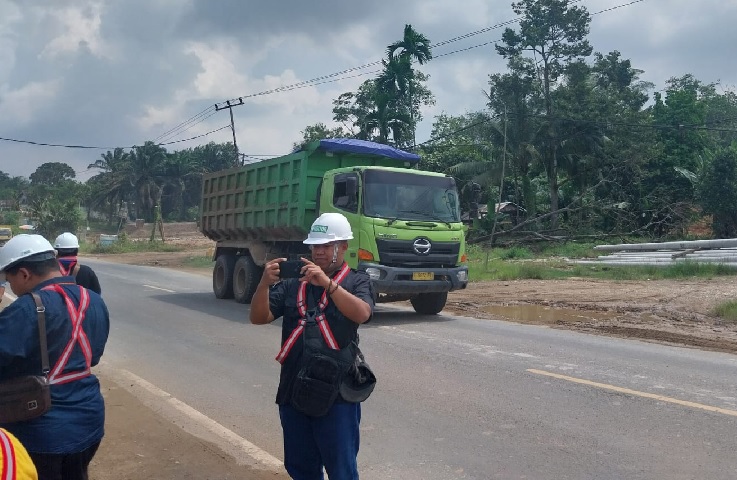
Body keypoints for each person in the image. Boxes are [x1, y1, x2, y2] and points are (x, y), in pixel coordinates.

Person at [250, 212, 374, 480]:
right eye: (315, 246)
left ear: (342, 247)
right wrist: (263, 284)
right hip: (294, 388)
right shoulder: (294, 284)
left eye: (325, 246)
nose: (318, 252)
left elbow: (362, 314)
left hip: (337, 395)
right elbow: (259, 318)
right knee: (301, 468)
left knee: (342, 470)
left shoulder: (356, 281)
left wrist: (328, 285)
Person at [0, 234, 110, 480]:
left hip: (40, 430)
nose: (11, 288)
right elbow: (93, 358)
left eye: (10, 279)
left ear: (25, 274)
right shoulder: (94, 300)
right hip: (90, 421)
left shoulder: (25, 309)